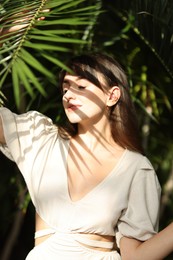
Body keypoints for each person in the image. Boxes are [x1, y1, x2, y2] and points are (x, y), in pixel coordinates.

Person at [1, 17, 173, 260]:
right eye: (65, 88)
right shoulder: (42, 139)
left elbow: (135, 257)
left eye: (81, 86)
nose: (69, 94)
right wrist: (9, 32)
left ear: (112, 95)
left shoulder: (136, 168)